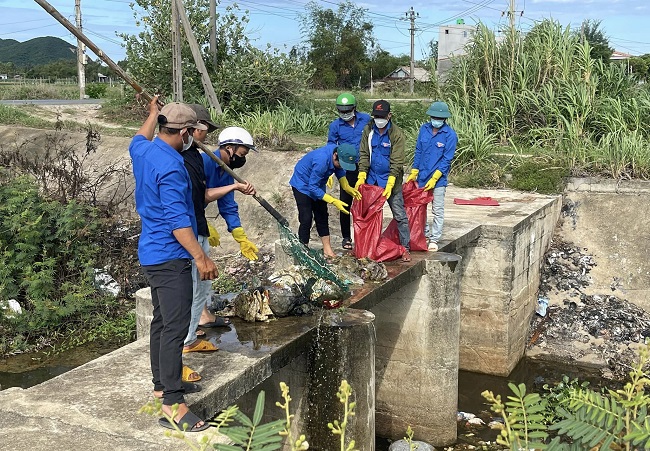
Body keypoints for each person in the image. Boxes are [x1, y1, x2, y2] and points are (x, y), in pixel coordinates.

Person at [129, 97, 217, 432]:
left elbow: (137, 137)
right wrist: (201, 257)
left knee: (163, 321)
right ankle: (173, 406)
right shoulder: (172, 167)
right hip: (171, 257)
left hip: (151, 252)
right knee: (176, 328)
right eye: (192, 132)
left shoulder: (146, 151)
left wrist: (152, 114)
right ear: (183, 133)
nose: (194, 137)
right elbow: (179, 222)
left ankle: (161, 385)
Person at [182, 106, 255, 354]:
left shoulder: (225, 171)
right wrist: (234, 187)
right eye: (242, 152)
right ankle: (189, 334)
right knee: (195, 276)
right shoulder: (204, 161)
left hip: (198, 221)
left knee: (202, 278)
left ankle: (201, 318)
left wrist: (240, 236)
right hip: (187, 222)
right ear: (229, 148)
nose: (243, 158)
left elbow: (227, 206)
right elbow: (198, 196)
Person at [356, 99, 412, 262]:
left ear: (389, 115)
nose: (378, 120)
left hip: (391, 182)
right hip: (372, 181)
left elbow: (397, 161)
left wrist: (390, 183)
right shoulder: (368, 130)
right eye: (376, 117)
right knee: (369, 216)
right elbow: (364, 154)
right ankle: (367, 247)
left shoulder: (396, 134)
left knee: (400, 215)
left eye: (382, 116)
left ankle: (405, 248)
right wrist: (361, 176)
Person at [289, 143, 361, 259]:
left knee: (322, 215)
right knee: (306, 217)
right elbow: (312, 187)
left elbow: (339, 169)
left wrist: (346, 186)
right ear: (335, 156)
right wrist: (332, 200)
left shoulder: (338, 153)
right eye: (341, 164)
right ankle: (303, 251)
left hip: (317, 183)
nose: (342, 167)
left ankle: (327, 250)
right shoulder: (321, 161)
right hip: (302, 184)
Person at [406, 101, 458, 252]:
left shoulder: (450, 135)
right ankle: (424, 234)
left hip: (438, 179)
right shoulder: (424, 129)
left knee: (438, 209)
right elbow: (418, 151)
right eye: (434, 117)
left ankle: (434, 238)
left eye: (439, 118)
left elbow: (447, 159)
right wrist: (414, 170)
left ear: (444, 119)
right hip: (422, 176)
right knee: (420, 208)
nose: (436, 120)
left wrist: (435, 177)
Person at [327, 92, 372, 250]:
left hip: (365, 166)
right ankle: (346, 237)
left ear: (354, 108)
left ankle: (365, 236)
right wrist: (331, 170)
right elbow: (331, 147)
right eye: (342, 111)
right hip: (346, 168)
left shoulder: (366, 120)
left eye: (348, 111)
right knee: (345, 202)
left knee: (365, 201)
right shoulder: (335, 126)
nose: (345, 114)